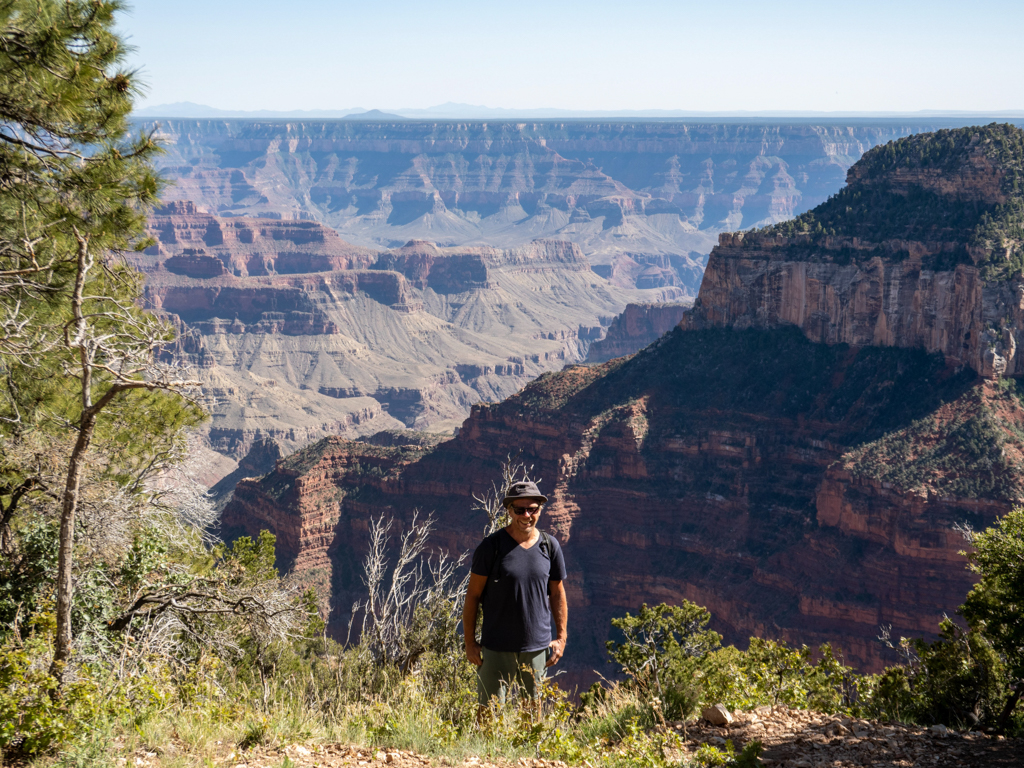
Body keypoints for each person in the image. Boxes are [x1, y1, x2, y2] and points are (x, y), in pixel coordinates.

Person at [462, 480, 568, 715]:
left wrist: (561, 637)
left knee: (532, 718)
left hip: (536, 648)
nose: (526, 515)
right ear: (509, 511)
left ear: (540, 510)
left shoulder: (550, 546)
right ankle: (483, 753)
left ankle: (526, 754)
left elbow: (558, 593)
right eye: (519, 510)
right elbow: (472, 596)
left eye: (532, 509)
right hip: (496, 648)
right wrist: (469, 642)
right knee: (487, 715)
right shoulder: (492, 547)